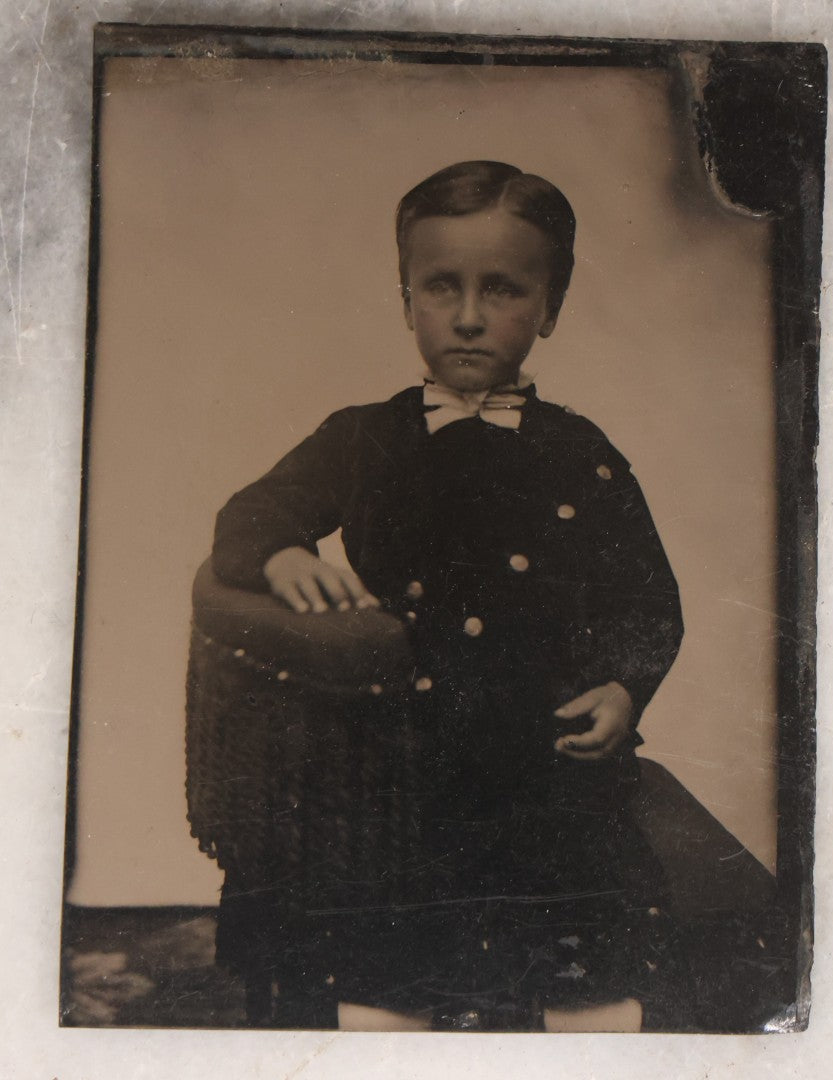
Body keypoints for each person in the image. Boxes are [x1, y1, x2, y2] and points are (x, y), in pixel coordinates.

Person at [211, 160, 684, 1032]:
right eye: (440, 287)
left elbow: (646, 599)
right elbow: (251, 511)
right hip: (401, 771)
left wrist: (624, 685)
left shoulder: (580, 450)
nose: (467, 316)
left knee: (586, 980)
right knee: (388, 979)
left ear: (551, 305)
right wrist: (280, 553)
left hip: (548, 770)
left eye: (502, 289)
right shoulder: (361, 438)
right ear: (406, 298)